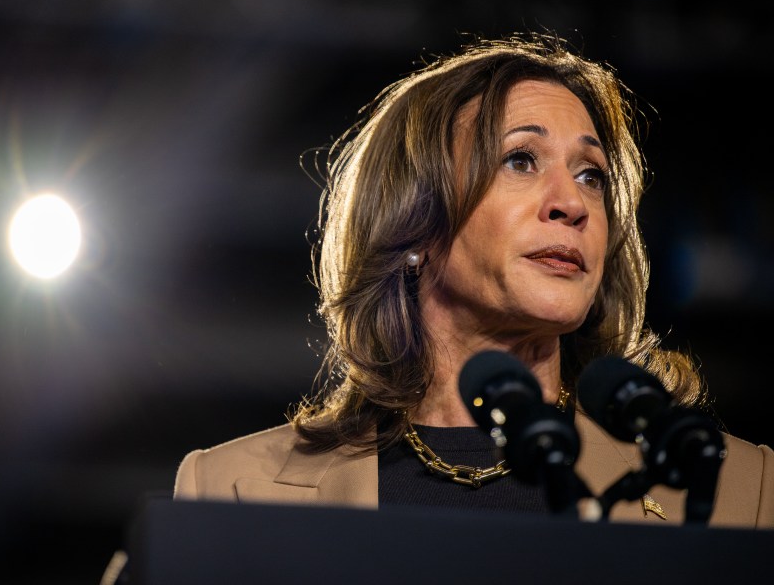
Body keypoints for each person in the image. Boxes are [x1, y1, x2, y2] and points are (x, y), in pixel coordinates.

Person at [101, 32, 773, 585]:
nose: (571, 202)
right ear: (413, 223)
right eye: (520, 160)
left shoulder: (740, 492)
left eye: (591, 174)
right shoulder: (232, 492)